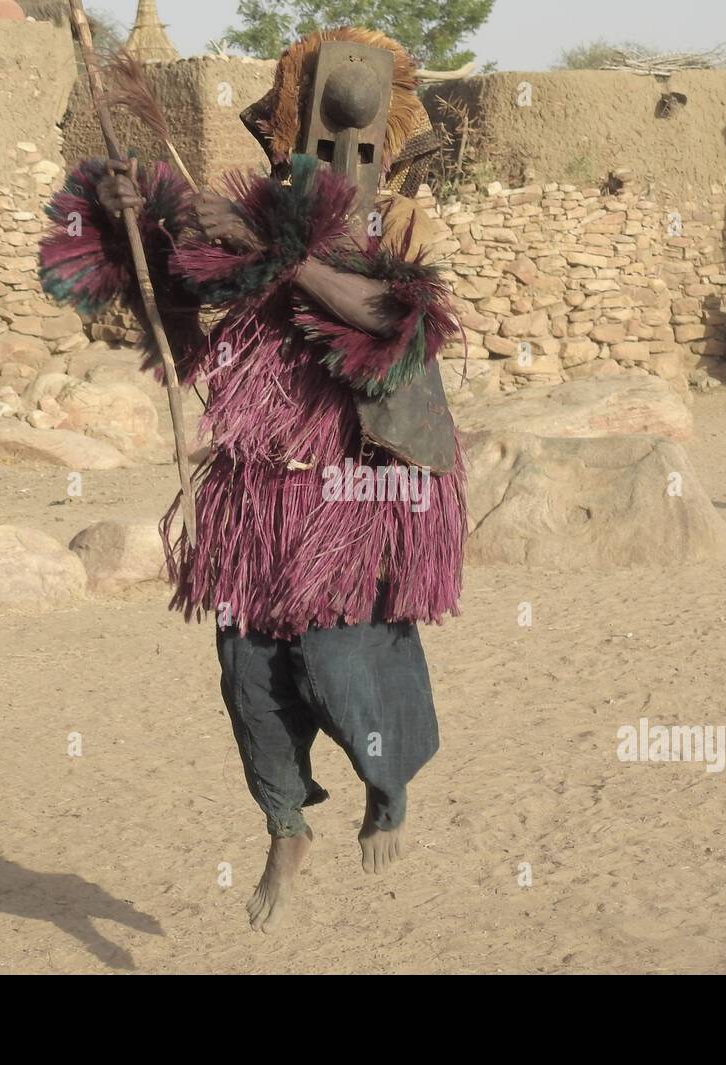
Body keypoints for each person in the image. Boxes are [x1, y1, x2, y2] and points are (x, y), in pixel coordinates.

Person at [39, 27, 465, 932]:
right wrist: (138, 224)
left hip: (354, 483)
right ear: (286, 126)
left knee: (343, 659)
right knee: (247, 668)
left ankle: (386, 784)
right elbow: (179, 306)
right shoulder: (252, 209)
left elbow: (391, 319)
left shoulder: (398, 220)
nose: (335, 143)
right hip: (254, 486)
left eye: (356, 132)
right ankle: (284, 821)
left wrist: (276, 252)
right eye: (312, 122)